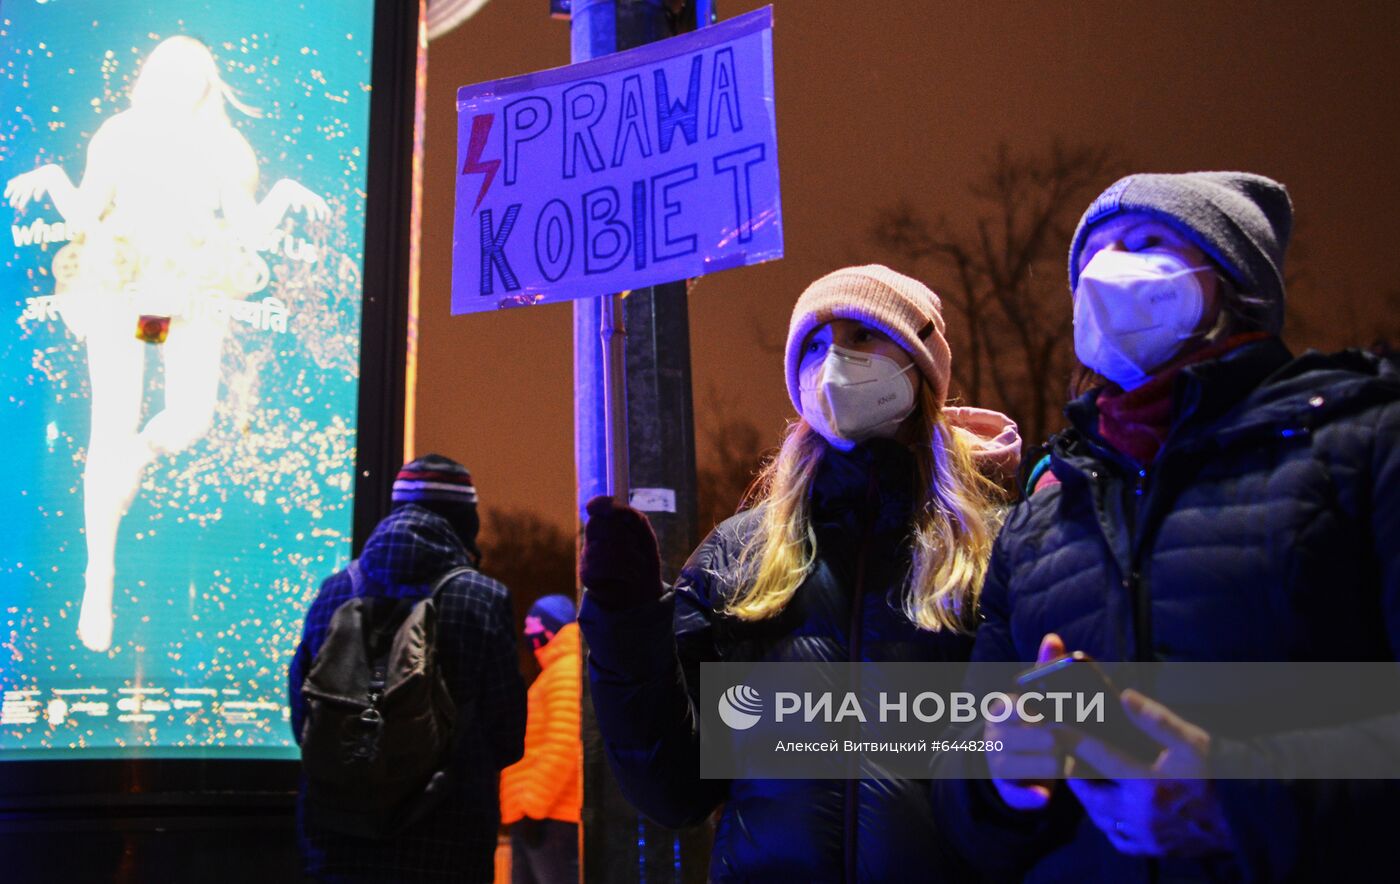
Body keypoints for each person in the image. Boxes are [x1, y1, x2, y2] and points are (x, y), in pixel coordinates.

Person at [936, 172, 1400, 882]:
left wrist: (1238, 798)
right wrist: (998, 776)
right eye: (1094, 255)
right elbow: (967, 811)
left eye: (1147, 241)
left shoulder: (1363, 446)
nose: (1109, 270)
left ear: (1234, 281)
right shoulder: (1038, 525)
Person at [578, 265, 1021, 882]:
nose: (833, 361)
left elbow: (1029, 784)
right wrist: (627, 628)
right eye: (814, 344)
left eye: (862, 335)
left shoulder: (991, 550)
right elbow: (673, 790)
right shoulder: (741, 556)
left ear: (920, 366)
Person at [3, 35, 329, 652]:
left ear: (204, 85)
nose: (180, 83)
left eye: (191, 75)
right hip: (127, 286)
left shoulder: (221, 144)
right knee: (112, 425)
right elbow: (85, 215)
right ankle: (98, 577)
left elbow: (250, 229)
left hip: (181, 289)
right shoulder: (122, 133)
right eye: (171, 72)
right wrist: (52, 178)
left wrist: (285, 193)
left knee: (187, 417)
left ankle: (137, 460)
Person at [289, 454, 526, 883]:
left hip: (337, 840)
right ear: (464, 520)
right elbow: (507, 736)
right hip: (447, 841)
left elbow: (305, 716)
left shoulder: (334, 592)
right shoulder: (482, 598)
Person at [500, 595, 582, 884]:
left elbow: (564, 745)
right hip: (542, 813)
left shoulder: (565, 671)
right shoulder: (555, 671)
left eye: (532, 625)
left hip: (552, 817)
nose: (527, 633)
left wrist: (533, 806)